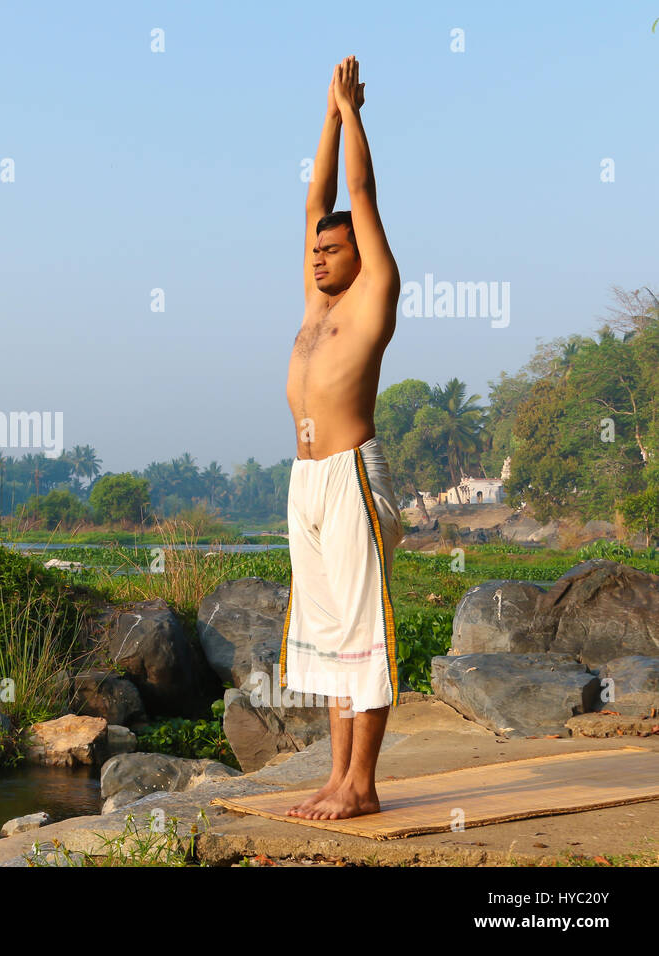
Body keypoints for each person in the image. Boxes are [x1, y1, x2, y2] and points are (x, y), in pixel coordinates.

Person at [280, 56, 405, 821]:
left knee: (362, 632)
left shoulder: (371, 299)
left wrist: (354, 113)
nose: (321, 254)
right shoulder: (315, 302)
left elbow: (356, 196)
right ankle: (337, 779)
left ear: (360, 256)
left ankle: (364, 783)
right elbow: (316, 204)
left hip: (354, 474)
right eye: (318, 251)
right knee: (328, 638)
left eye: (333, 249)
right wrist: (324, 116)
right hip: (306, 482)